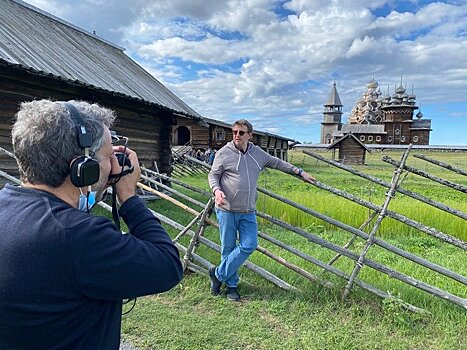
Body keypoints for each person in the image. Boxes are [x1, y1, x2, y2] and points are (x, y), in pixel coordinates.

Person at [0, 100, 183, 349]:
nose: (113, 164)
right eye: (108, 156)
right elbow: (167, 266)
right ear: (82, 166)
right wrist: (129, 196)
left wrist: (92, 187)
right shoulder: (75, 235)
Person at [207, 119, 315, 301]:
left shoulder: (258, 154)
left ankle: (217, 274)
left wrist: (299, 172)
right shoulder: (224, 153)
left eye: (241, 132)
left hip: (248, 211)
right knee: (228, 247)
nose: (237, 136)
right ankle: (232, 287)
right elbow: (213, 175)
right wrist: (216, 191)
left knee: (249, 244)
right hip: (227, 209)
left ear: (250, 135)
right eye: (234, 132)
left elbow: (278, 163)